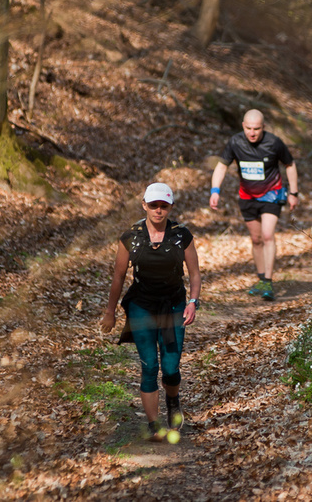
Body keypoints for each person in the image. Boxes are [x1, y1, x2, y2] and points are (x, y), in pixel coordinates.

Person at [101, 182, 201, 441]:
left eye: (163, 206)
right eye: (153, 205)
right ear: (144, 205)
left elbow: (195, 274)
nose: (158, 210)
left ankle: (173, 400)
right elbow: (119, 275)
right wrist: (110, 311)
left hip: (173, 305)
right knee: (149, 366)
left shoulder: (182, 235)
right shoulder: (130, 237)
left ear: (170, 207)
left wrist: (193, 302)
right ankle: (154, 425)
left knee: (170, 367)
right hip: (141, 306)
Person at [209, 109, 299, 302]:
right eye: (249, 128)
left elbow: (290, 165)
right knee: (256, 239)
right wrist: (215, 190)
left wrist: (293, 193)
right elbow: (222, 165)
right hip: (247, 197)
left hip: (272, 195)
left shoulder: (274, 142)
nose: (252, 132)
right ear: (243, 126)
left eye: (256, 129)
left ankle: (268, 280)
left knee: (267, 235)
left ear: (263, 127)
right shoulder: (235, 142)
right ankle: (260, 280)